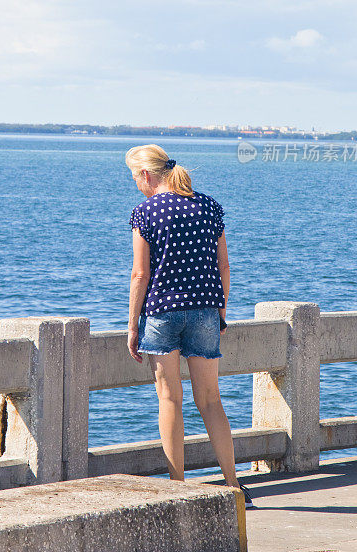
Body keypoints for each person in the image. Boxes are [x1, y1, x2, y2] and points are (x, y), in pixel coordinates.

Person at [125, 143, 254, 507]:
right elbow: (224, 267)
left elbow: (140, 274)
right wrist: (222, 312)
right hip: (206, 312)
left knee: (170, 399)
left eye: (135, 177)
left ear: (146, 175)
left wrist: (133, 325)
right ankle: (233, 486)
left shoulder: (146, 212)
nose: (136, 183)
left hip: (162, 312)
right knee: (211, 401)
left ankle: (179, 486)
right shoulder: (209, 207)